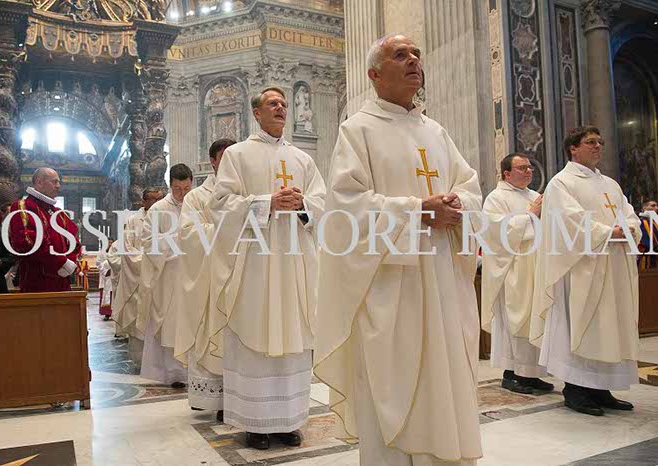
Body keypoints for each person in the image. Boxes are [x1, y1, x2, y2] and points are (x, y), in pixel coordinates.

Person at [314, 34, 482, 465]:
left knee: (445, 376)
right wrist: (418, 211)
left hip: (443, 279)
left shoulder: (436, 131)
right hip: (392, 285)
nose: (413, 61)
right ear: (374, 74)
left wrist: (458, 206)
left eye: (417, 55)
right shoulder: (357, 130)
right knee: (396, 382)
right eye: (400, 55)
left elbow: (470, 186)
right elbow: (346, 208)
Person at [208, 87, 325, 449]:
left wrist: (303, 204)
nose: (281, 108)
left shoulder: (303, 159)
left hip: (294, 262)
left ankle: (289, 421)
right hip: (255, 263)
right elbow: (221, 204)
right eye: (273, 104)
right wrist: (267, 203)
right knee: (255, 332)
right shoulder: (238, 155)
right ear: (256, 113)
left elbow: (324, 203)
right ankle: (255, 424)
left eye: (284, 104)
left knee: (293, 337)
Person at [530, 126, 642, 416]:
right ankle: (576, 389)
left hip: (612, 264)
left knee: (608, 326)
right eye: (590, 142)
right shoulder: (561, 183)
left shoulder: (610, 184)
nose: (598, 146)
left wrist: (630, 228)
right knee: (582, 324)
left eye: (599, 142)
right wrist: (608, 232)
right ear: (573, 149)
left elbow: (628, 212)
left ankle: (600, 388)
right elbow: (568, 220)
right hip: (581, 268)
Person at [481, 154, 553, 394]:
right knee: (515, 320)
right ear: (507, 173)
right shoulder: (496, 198)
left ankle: (531, 374)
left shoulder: (534, 196)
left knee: (534, 319)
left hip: (536, 266)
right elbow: (496, 232)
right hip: (512, 270)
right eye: (522, 168)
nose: (529, 171)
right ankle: (511, 374)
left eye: (530, 167)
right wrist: (531, 214)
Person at [174, 138, 235, 420]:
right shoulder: (197, 197)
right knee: (212, 334)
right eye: (225, 156)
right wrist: (228, 231)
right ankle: (215, 399)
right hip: (210, 280)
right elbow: (189, 234)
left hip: (241, 276)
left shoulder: (246, 192)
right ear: (213, 161)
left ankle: (241, 399)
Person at [137, 164, 193, 387]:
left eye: (186, 188)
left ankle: (193, 372)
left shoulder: (197, 205)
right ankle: (173, 373)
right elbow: (148, 242)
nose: (182, 194)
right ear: (170, 186)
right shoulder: (158, 209)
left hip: (193, 275)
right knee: (170, 324)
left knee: (190, 322)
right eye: (177, 189)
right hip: (167, 274)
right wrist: (177, 239)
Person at [8, 168, 81, 292]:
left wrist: (70, 261)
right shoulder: (23, 206)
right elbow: (27, 241)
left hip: (63, 280)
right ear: (39, 182)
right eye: (54, 182)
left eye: (59, 182)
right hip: (37, 281)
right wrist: (60, 262)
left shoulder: (58, 213)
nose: (58, 186)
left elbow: (73, 240)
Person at [112, 188, 164, 363]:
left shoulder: (166, 218)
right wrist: (150, 262)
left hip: (161, 277)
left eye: (159, 199)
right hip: (140, 278)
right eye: (153, 199)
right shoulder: (133, 221)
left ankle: (159, 361)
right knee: (139, 318)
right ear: (144, 201)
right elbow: (127, 250)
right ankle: (140, 360)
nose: (156, 203)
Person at [98, 239, 115, 321]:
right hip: (106, 277)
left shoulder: (115, 252)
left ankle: (114, 313)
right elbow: (98, 264)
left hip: (114, 276)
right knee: (106, 295)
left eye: (111, 242)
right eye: (108, 242)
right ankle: (107, 313)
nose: (110, 244)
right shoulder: (101, 253)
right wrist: (106, 269)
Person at [638, 199, 658, 271]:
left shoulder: (655, 222)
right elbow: (643, 238)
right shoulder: (640, 222)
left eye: (656, 206)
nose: (656, 208)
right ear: (645, 207)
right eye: (653, 206)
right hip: (646, 255)